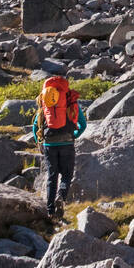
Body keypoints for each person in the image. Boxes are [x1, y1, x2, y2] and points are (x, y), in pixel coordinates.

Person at [32, 76, 86, 218]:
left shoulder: (46, 102)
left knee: (52, 176)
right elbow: (83, 124)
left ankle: (50, 211)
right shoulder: (70, 102)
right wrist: (74, 135)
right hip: (67, 143)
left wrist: (39, 141)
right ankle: (61, 197)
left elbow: (35, 126)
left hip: (49, 144)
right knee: (66, 175)